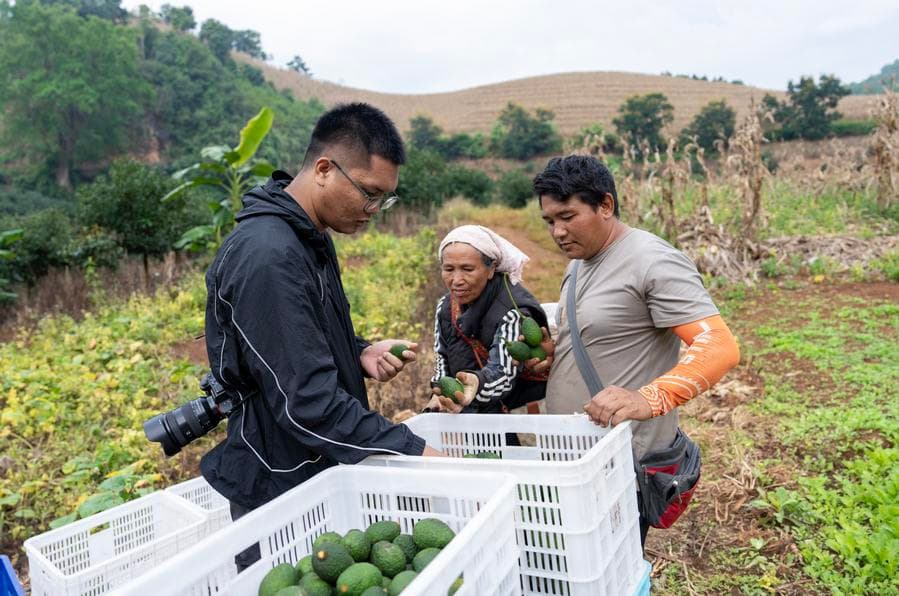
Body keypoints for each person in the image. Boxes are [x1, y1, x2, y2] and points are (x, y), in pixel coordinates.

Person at [200, 103, 443, 568]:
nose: (375, 210)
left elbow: (292, 341)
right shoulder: (268, 255)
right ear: (325, 170)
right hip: (279, 488)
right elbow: (305, 402)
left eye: (384, 199)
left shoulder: (309, 236)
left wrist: (359, 352)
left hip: (317, 472)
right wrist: (414, 450)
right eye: (370, 194)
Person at [531, 154, 740, 545]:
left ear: (605, 205)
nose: (557, 232)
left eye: (567, 216)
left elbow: (719, 345)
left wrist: (649, 398)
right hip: (575, 454)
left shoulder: (651, 260)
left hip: (623, 460)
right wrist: (554, 357)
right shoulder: (578, 263)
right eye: (549, 222)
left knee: (612, 566)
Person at [426, 225, 548, 415]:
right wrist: (440, 390)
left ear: (491, 269)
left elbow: (503, 373)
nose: (456, 280)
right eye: (448, 269)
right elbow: (442, 354)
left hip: (504, 411)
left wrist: (476, 384)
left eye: (467, 269)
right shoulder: (446, 305)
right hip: (466, 407)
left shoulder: (512, 311)